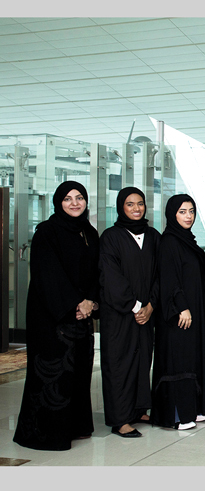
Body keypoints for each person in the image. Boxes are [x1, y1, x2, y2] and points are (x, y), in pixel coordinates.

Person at [13, 181, 100, 450]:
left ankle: (76, 426)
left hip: (82, 316)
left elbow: (97, 271)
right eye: (67, 198)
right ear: (58, 203)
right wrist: (76, 303)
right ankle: (47, 435)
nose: (74, 203)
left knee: (79, 372)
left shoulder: (88, 232)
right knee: (53, 376)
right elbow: (48, 275)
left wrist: (91, 301)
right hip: (51, 318)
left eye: (79, 197)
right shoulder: (47, 232)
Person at [98, 187, 160, 438]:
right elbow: (110, 277)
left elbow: (160, 274)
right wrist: (135, 306)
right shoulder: (111, 237)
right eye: (130, 204)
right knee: (119, 364)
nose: (136, 208)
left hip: (147, 313)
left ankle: (138, 410)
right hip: (120, 315)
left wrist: (151, 305)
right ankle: (120, 419)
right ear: (121, 207)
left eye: (140, 203)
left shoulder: (153, 236)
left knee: (142, 360)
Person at [150, 194, 205, 431]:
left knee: (190, 358)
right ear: (172, 214)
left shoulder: (187, 241)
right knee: (177, 360)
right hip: (177, 315)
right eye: (182, 212)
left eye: (191, 211)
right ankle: (176, 416)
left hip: (192, 311)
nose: (188, 216)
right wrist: (182, 307)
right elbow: (170, 278)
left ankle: (192, 409)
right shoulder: (169, 242)